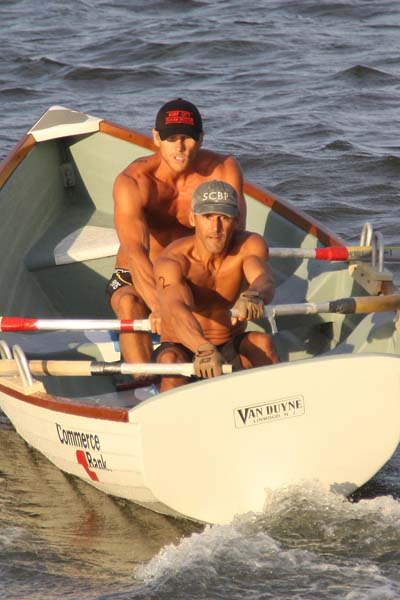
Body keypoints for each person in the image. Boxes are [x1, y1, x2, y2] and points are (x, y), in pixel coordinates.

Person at [107, 98, 246, 366]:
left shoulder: (223, 170)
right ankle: (142, 378)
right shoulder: (133, 182)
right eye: (171, 139)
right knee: (129, 305)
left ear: (201, 138)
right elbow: (136, 252)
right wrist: (160, 307)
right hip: (138, 275)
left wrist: (239, 293)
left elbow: (235, 237)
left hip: (194, 273)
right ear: (156, 138)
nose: (180, 147)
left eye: (187, 138)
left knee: (224, 314)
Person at [153, 180, 280, 392]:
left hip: (229, 342)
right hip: (185, 346)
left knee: (262, 342)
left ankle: (275, 399)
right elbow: (176, 310)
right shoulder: (173, 260)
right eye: (207, 217)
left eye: (224, 217)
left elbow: (264, 278)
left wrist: (254, 294)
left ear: (236, 220)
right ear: (192, 219)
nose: (216, 228)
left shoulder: (249, 245)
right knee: (169, 360)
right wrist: (202, 348)